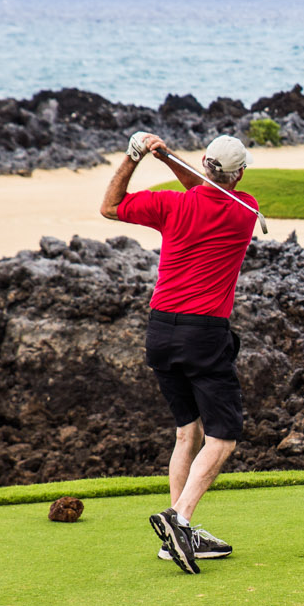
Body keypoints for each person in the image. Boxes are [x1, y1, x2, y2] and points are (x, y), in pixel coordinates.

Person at [99, 131, 259, 574]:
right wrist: (172, 160)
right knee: (222, 437)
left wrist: (137, 157)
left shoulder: (172, 204)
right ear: (240, 173)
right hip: (204, 333)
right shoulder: (245, 210)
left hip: (160, 331)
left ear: (203, 163)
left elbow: (110, 206)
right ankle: (178, 518)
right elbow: (210, 191)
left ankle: (177, 541)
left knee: (187, 433)